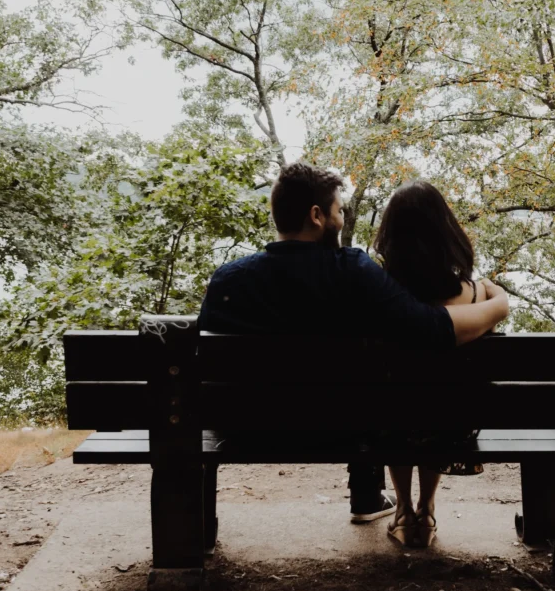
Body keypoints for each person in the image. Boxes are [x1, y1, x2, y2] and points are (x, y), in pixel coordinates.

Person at [197, 162, 509, 526]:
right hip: (338, 430)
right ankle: (369, 496)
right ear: (316, 216)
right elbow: (431, 328)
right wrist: (497, 305)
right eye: (338, 210)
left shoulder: (228, 280)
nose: (342, 218)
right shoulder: (352, 272)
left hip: (240, 428)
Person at [371, 180, 490, 548]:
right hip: (451, 425)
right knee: (437, 405)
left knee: (396, 408)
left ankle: (404, 511)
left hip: (390, 423)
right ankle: (427, 508)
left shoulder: (380, 294)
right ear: (446, 231)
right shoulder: (473, 294)